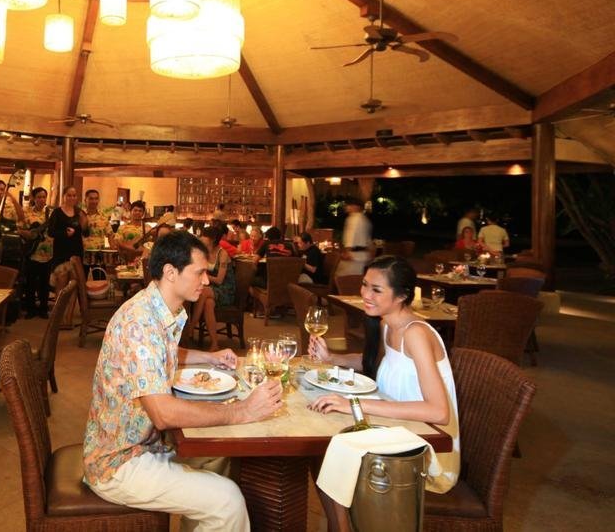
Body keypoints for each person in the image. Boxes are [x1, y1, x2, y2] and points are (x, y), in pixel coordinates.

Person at [83, 231, 283, 530]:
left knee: (218, 457)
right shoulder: (139, 322)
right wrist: (242, 411)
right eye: (199, 272)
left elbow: (160, 352)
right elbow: (163, 414)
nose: (206, 281)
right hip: (118, 462)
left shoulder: (156, 309)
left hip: (147, 445)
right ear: (170, 272)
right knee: (227, 500)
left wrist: (209, 357)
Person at [308, 255, 460, 531]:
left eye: (376, 289)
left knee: (329, 449)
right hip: (397, 428)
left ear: (401, 296)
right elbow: (379, 365)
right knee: (318, 443)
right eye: (365, 285)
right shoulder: (387, 324)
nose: (365, 294)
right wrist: (332, 358)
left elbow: (438, 411)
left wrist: (355, 403)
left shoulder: (416, 333)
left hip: (427, 449)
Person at [190, 225, 237, 352]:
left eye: (205, 239)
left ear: (213, 241)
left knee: (203, 292)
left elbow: (220, 280)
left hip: (225, 290)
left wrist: (204, 275)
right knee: (208, 303)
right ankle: (215, 343)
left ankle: (190, 329)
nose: (202, 240)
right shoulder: (204, 253)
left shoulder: (223, 254)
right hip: (211, 290)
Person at [47, 185, 89, 297]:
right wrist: (65, 233)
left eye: (74, 195)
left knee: (74, 284)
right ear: (64, 196)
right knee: (61, 283)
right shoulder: (57, 212)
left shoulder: (80, 212)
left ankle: (70, 307)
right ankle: (58, 306)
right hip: (61, 252)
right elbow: (50, 232)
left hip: (76, 252)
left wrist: (84, 224)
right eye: (69, 195)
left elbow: (86, 233)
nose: (72, 198)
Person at [19, 187, 52, 318]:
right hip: (31, 252)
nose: (42, 199)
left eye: (44, 197)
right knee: (30, 283)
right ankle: (31, 309)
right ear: (33, 198)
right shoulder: (26, 213)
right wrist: (29, 234)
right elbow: (19, 229)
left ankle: (43, 309)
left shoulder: (50, 214)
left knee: (45, 283)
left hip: (48, 254)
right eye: (39, 197)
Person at [337, 197, 373, 277]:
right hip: (361, 255)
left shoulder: (354, 219)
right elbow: (368, 239)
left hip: (353, 255)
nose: (347, 207)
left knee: (345, 279)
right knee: (353, 278)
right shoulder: (364, 219)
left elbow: (351, 236)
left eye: (349, 205)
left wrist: (347, 251)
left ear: (356, 206)